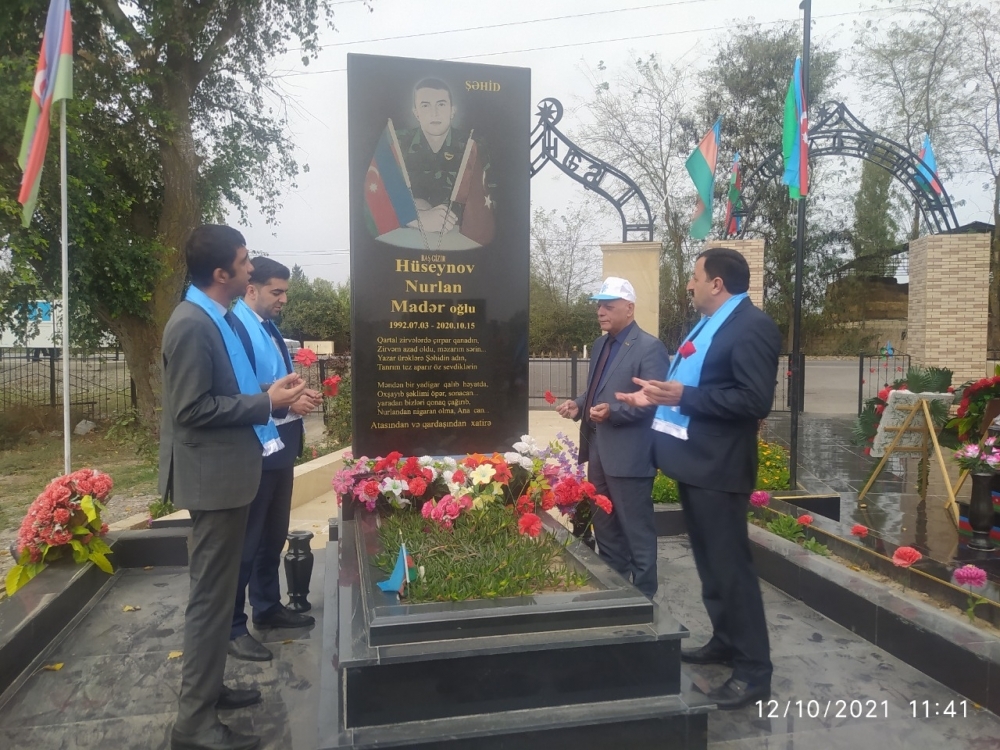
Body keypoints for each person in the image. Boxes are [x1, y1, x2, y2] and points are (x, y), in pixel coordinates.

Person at [160, 224, 306, 750]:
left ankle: (207, 691)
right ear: (222, 273)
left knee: (217, 598)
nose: (251, 269)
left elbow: (225, 390)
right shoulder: (191, 324)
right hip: (214, 481)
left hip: (226, 476)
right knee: (210, 600)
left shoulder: (213, 317)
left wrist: (269, 392)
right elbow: (191, 408)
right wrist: (267, 403)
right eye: (245, 263)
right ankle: (193, 725)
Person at [617, 247, 781, 710]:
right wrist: (654, 397)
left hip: (720, 468)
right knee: (711, 566)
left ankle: (754, 670)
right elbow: (702, 383)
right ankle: (725, 641)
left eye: (695, 277)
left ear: (717, 283)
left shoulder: (752, 327)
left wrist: (683, 396)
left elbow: (754, 401)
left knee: (730, 569)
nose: (689, 284)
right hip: (697, 463)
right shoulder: (712, 324)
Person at [227, 257, 323, 662]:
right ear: (252, 289)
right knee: (246, 542)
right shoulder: (235, 327)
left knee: (272, 535)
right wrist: (285, 403)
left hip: (281, 443)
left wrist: (297, 396)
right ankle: (232, 626)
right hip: (254, 447)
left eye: (285, 292)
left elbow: (273, 383)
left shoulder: (267, 327)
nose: (283, 299)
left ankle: (266, 606)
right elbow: (239, 389)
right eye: (276, 292)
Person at [556, 277, 669, 598]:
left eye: (608, 306)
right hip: (598, 453)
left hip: (630, 457)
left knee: (636, 532)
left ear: (629, 308)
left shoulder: (650, 347)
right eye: (598, 306)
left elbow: (654, 401)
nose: (600, 312)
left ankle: (644, 600)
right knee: (604, 527)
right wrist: (579, 404)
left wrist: (614, 412)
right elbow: (596, 390)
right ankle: (616, 592)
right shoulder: (600, 345)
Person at [396, 78, 494, 245]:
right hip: (405, 243)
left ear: (452, 111)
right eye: (425, 106)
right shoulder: (396, 144)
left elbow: (492, 201)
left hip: (464, 245)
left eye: (441, 104)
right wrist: (415, 217)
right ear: (416, 113)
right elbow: (376, 199)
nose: (434, 113)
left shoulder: (473, 146)